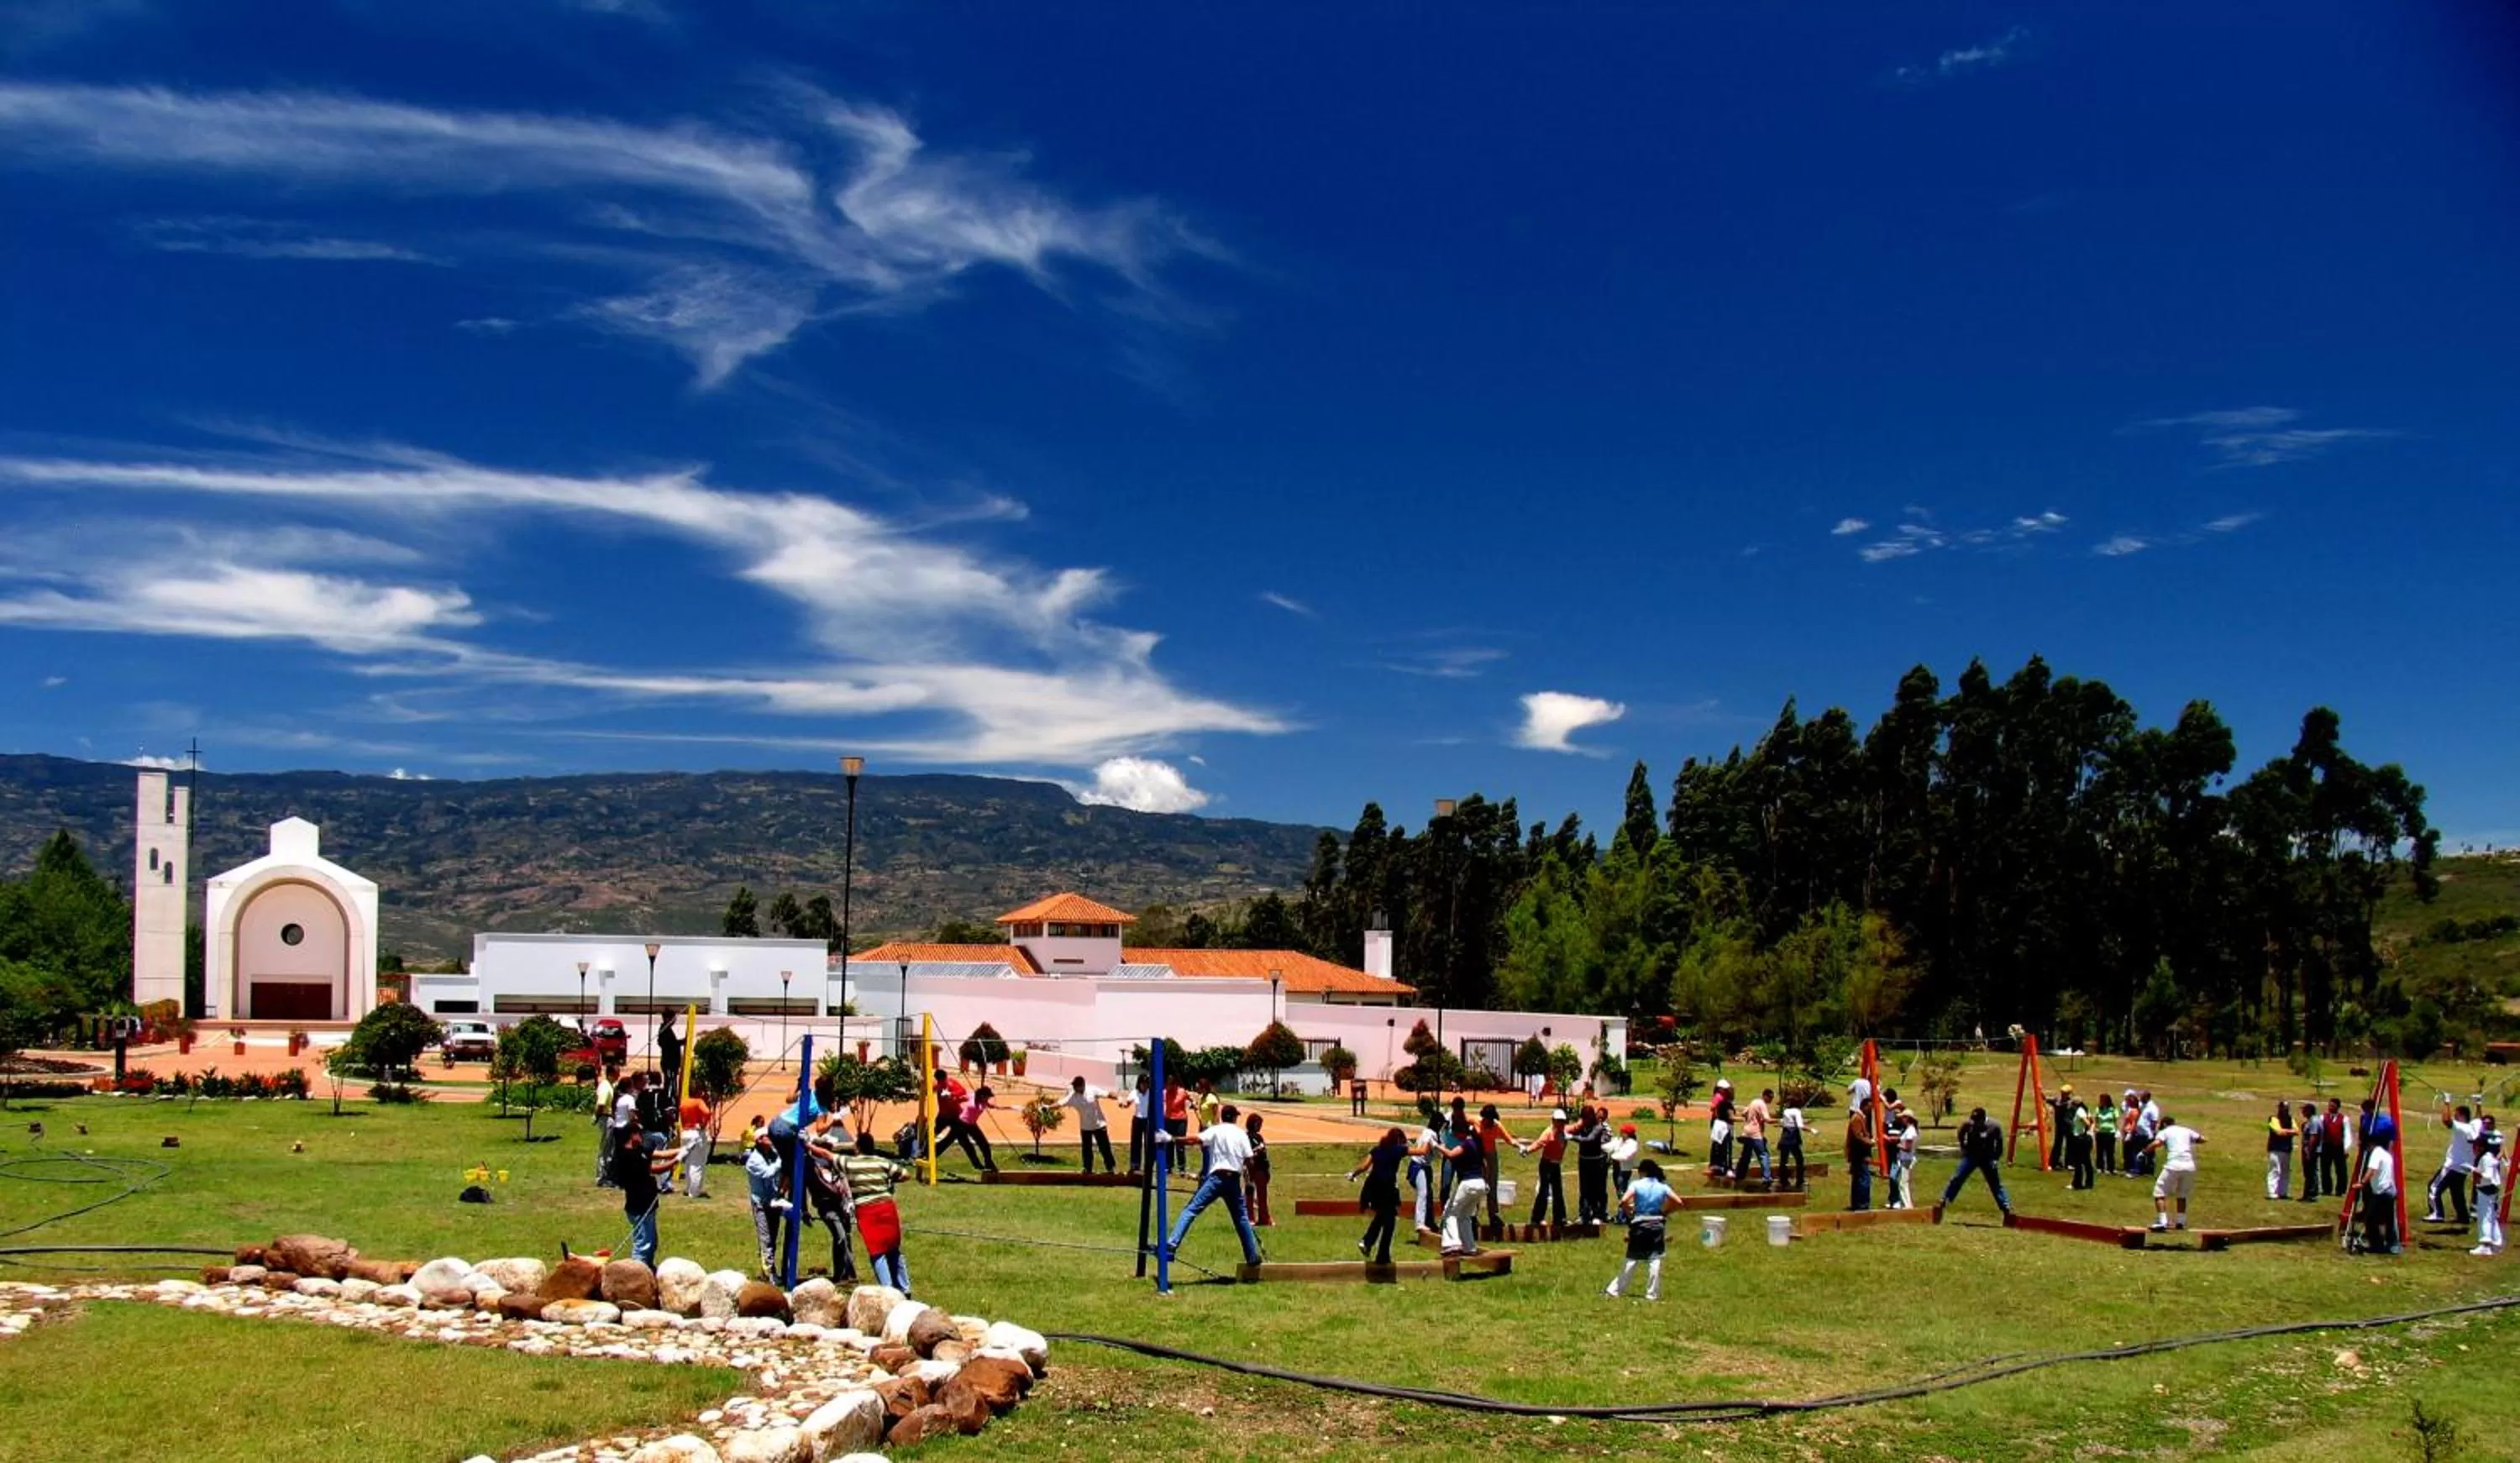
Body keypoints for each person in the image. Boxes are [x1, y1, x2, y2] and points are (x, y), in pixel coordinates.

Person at [1158, 1102, 1264, 1267]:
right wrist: (1250, 1182)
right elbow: (1250, 1161)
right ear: (1235, 1117)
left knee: (1191, 1210)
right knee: (1241, 1219)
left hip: (1216, 1178)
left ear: (1222, 1116)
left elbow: (1194, 1140)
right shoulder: (1241, 1134)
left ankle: (1171, 1246)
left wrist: (1171, 1139)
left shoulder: (1215, 1130)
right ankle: (1252, 1257)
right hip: (1234, 1180)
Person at [843, 1130, 913, 1296]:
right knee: (894, 1249)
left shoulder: (851, 1163)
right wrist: (888, 1180)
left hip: (867, 1211)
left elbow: (829, 1156)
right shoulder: (882, 1162)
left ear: (858, 1148)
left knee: (877, 1252)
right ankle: (905, 1288)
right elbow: (905, 1174)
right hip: (887, 1208)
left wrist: (809, 1145)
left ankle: (888, 1291)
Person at [1604, 1159, 1677, 1302]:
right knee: (1655, 1259)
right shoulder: (1663, 1186)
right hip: (1657, 1224)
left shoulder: (1636, 1185)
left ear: (1643, 1171)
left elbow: (1624, 1201)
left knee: (1632, 1258)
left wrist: (1630, 1213)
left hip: (1639, 1223)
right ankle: (1652, 1294)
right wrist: (1665, 1212)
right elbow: (1678, 1201)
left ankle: (1615, 1290)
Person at [612, 1109, 677, 1270]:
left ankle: (647, 1267)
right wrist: (675, 1162)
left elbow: (659, 1154)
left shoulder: (639, 1150)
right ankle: (637, 1271)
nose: (642, 1137)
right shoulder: (628, 1157)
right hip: (639, 1206)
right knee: (643, 1243)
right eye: (639, 1134)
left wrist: (683, 1150)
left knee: (652, 1241)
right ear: (632, 1135)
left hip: (648, 1204)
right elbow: (654, 1169)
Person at [1347, 1127, 1410, 1264]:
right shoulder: (1397, 1150)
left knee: (1388, 1220)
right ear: (1399, 1140)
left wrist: (1353, 1174)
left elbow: (1364, 1166)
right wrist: (1431, 1141)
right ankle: (1367, 1241)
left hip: (1373, 1189)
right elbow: (1421, 1151)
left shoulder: (1377, 1150)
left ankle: (1383, 1255)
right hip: (1387, 1189)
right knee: (1386, 1217)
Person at [1939, 1107, 2012, 1216]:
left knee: (1995, 1182)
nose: (1975, 1123)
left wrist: (1995, 1158)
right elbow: (1961, 1134)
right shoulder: (1968, 1124)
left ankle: (2005, 1206)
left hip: (1987, 1156)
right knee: (1958, 1177)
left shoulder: (1994, 1126)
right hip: (1971, 1155)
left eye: (1977, 1121)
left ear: (1983, 1119)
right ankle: (1945, 1199)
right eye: (1973, 1120)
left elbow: (1999, 1144)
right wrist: (1964, 1148)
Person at [1435, 1114, 1489, 1256]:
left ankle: (1452, 1244)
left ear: (1460, 1132)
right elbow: (1485, 1165)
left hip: (1468, 1183)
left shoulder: (1466, 1143)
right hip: (1480, 1184)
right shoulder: (1477, 1143)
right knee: (1465, 1216)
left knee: (1450, 1212)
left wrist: (1438, 1146)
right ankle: (1469, 1247)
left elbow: (1452, 1155)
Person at [2145, 1113, 2205, 1232]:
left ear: (2165, 1124)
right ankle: (2181, 1221)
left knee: (2159, 1192)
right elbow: (2202, 1139)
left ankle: (2162, 1221)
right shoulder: (2185, 1130)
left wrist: (2145, 1151)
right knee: (2182, 1194)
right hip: (2189, 1165)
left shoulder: (2165, 1131)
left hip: (2174, 1164)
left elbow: (2157, 1143)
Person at [2425, 1102, 2482, 1226]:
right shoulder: (2476, 1128)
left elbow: (2446, 1120)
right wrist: (2478, 1104)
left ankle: (2437, 1213)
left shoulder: (2462, 1128)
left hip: (2453, 1166)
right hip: (2465, 1167)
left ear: (2461, 1116)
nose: (2454, 1117)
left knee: (2433, 1187)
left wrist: (2447, 1102)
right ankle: (2463, 1217)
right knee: (2457, 1193)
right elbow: (2479, 1119)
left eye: (2456, 1115)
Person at [2356, 1114, 2401, 1256]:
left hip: (2382, 1192)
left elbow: (2372, 1170)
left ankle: (2377, 1245)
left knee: (2370, 1219)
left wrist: (2362, 1183)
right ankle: (2393, 1245)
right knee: (2389, 1220)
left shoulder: (2375, 1153)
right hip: (2390, 1190)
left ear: (2371, 1145)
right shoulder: (2386, 1154)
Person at [743, 1129, 786, 1277]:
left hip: (774, 1201)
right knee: (766, 1238)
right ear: (759, 1140)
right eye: (766, 1136)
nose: (770, 1138)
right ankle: (770, 1274)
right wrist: (782, 1160)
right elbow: (768, 1173)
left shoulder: (773, 1154)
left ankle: (767, 1269)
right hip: (761, 1203)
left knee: (773, 1238)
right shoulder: (754, 1160)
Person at [1521, 1109, 1571, 1227]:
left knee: (1558, 1191)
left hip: (1556, 1164)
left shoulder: (1563, 1132)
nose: (1561, 1124)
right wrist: (1527, 1150)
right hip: (1547, 1164)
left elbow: (1576, 1128)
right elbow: (1539, 1143)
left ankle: (1560, 1218)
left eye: (1563, 1121)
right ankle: (1537, 1218)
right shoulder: (1548, 1132)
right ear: (1553, 1121)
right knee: (1544, 1191)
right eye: (1559, 1121)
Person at [1063, 1076, 1118, 1175]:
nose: (1075, 1088)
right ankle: (1087, 1169)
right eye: (1074, 1086)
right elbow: (1060, 1103)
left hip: (1099, 1125)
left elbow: (1107, 1094)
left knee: (1105, 1148)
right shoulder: (1073, 1096)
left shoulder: (1093, 1090)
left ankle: (1111, 1168)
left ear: (1082, 1085)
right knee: (1086, 1150)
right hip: (1085, 1127)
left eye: (1076, 1086)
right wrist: (1048, 1107)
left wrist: (1119, 1097)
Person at [1477, 1105, 1518, 1226]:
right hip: (1479, 1154)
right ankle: (1473, 1215)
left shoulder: (1497, 1126)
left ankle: (1493, 1215)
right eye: (1486, 1118)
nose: (1487, 1121)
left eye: (1490, 1119)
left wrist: (1519, 1146)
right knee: (1477, 1185)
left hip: (1491, 1155)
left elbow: (1509, 1139)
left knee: (1492, 1185)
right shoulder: (1477, 1123)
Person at [1572, 1105, 1614, 1224]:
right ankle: (1584, 1214)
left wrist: (1572, 1137)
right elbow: (1570, 1129)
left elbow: (1589, 1139)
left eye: (1587, 1118)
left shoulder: (1598, 1127)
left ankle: (1598, 1214)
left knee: (1598, 1189)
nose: (1585, 1120)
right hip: (1584, 1160)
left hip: (1597, 1162)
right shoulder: (1582, 1126)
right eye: (1583, 1118)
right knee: (1584, 1189)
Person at [2469, 1120, 2502, 1258]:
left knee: (2484, 1218)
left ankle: (2485, 1245)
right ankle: (2496, 1239)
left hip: (2486, 1190)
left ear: (2481, 1147)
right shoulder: (2487, 1157)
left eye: (2475, 1146)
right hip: (2489, 1190)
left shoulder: (2485, 1158)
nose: (2473, 1149)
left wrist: (2475, 1171)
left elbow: (2487, 1176)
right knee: (2491, 1216)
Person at [1408, 1114, 1442, 1232]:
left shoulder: (1427, 1131)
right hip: (1418, 1166)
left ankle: (1429, 1222)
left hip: (1423, 1167)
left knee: (1429, 1195)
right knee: (1423, 1193)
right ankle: (1420, 1223)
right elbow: (1426, 1149)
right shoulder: (1430, 1134)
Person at [676, 1088, 712, 1199]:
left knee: (688, 1163)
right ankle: (695, 1192)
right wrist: (703, 1123)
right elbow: (707, 1112)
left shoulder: (684, 1102)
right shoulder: (698, 1101)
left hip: (685, 1133)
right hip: (696, 1133)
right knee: (697, 1164)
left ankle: (689, 1188)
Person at [1734, 1088, 1774, 1187]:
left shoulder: (1754, 1102)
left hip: (1747, 1132)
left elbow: (1744, 1113)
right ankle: (1767, 1178)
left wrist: (1751, 1118)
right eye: (1770, 1098)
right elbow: (1767, 1119)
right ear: (1765, 1096)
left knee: (1746, 1156)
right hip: (1756, 1134)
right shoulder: (1762, 1104)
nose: (1771, 1100)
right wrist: (1779, 1121)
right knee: (1763, 1155)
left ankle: (1739, 1175)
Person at [593, 1062, 623, 1188]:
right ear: (611, 1074)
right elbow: (601, 1104)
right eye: (617, 1073)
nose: (619, 1075)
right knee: (605, 1149)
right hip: (606, 1118)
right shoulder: (605, 1087)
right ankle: (601, 1177)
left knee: (609, 1148)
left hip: (608, 1117)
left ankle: (606, 1175)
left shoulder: (610, 1085)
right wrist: (597, 1116)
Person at [1243, 1112, 1275, 1227]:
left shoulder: (1259, 1136)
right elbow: (1247, 1153)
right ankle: (1250, 1218)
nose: (1260, 1126)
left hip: (1262, 1168)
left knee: (1262, 1195)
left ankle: (1264, 1218)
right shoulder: (1246, 1137)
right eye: (1258, 1124)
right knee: (1250, 1194)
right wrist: (1258, 1150)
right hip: (1252, 1167)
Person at [1889, 1102, 1921, 1208]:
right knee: (1903, 1183)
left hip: (1907, 1159)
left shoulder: (1910, 1131)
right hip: (1905, 1159)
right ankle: (1907, 1204)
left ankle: (1908, 1205)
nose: (1901, 1120)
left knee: (1903, 1183)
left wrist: (1897, 1145)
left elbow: (1907, 1148)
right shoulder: (1909, 1130)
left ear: (1907, 1118)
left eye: (1903, 1118)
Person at [2265, 1102, 2298, 1201]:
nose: (2285, 1110)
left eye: (2287, 1108)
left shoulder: (2291, 1119)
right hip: (2275, 1148)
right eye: (2284, 1108)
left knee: (2285, 1171)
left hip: (2287, 1149)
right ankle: (2272, 1192)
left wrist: (2285, 1132)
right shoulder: (2273, 1119)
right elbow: (2278, 1132)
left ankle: (2283, 1192)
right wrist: (2289, 1132)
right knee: (2275, 1170)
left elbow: (2296, 1131)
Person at [1845, 1104, 1874, 1212]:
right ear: (1864, 1106)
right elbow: (1858, 1136)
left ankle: (1856, 1203)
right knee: (1864, 1178)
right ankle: (1862, 1204)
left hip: (1857, 1153)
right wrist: (1869, 1142)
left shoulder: (1860, 1118)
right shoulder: (1857, 1118)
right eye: (1870, 1107)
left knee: (1857, 1178)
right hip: (1859, 1154)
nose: (1871, 1109)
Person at [1609, 1123, 1641, 1220]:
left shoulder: (1632, 1144)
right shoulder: (1620, 1141)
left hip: (1624, 1170)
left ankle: (1625, 1215)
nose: (1621, 1133)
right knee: (1620, 1192)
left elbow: (1625, 1156)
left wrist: (1613, 1156)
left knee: (1622, 1193)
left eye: (1623, 1132)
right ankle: (1623, 1214)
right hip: (1617, 1169)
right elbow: (1609, 1147)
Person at [2319, 1098, 2349, 1197]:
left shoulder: (2344, 1119)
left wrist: (2346, 1148)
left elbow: (2347, 1134)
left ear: (2338, 1107)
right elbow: (2320, 1132)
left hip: (2338, 1146)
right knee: (2325, 1168)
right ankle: (2326, 1189)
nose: (2330, 1107)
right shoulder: (2323, 1117)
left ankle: (2340, 1190)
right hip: (2326, 1146)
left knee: (2341, 1169)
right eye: (2329, 1105)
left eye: (2332, 1106)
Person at [1706, 1081, 1736, 1178]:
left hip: (1721, 1122)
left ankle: (1718, 1165)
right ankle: (1722, 1166)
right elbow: (1712, 1107)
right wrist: (1718, 1111)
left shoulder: (1725, 1099)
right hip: (1720, 1122)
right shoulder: (1719, 1097)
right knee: (1721, 1144)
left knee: (1719, 1144)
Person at [2297, 1094, 2323, 1201]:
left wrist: (2309, 1151)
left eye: (2304, 1110)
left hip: (2311, 1150)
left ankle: (2312, 1194)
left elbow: (2314, 1137)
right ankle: (2308, 1193)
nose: (2302, 1112)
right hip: (2308, 1149)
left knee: (2311, 1172)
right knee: (2309, 1172)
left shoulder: (2314, 1121)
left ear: (2309, 1111)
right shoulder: (2311, 1121)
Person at [1777, 1101, 1808, 1191]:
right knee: (1799, 1160)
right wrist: (1811, 1129)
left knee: (1783, 1160)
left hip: (1785, 1136)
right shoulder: (1797, 1111)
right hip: (1793, 1137)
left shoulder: (1786, 1111)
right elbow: (1800, 1125)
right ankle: (1800, 1180)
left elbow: (1787, 1122)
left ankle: (1783, 1180)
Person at [1126, 1073, 1153, 1175]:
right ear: (1139, 1083)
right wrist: (1124, 1104)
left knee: (1148, 1144)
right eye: (1143, 1083)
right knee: (1135, 1143)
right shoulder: (1135, 1093)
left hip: (1148, 1120)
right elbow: (1128, 1103)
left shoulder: (1151, 1093)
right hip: (1137, 1119)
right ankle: (1135, 1165)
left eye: (1146, 1083)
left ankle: (1148, 1166)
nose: (1145, 1086)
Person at [655, 1016, 684, 1108]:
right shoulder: (665, 1030)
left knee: (671, 1081)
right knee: (670, 1082)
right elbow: (670, 1044)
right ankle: (669, 1101)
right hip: (669, 1062)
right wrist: (681, 1042)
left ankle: (671, 1099)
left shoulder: (667, 1029)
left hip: (671, 1062)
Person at [2049, 1083, 2075, 1172]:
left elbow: (2061, 1106)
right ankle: (2054, 1162)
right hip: (2059, 1125)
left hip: (2069, 1125)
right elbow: (2046, 1099)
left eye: (2065, 1093)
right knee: (2057, 1144)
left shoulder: (2070, 1102)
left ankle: (2070, 1163)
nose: (2063, 1094)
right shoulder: (2057, 1100)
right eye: (2062, 1092)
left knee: (2070, 1145)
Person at [2094, 1090, 2120, 1176]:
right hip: (2100, 1133)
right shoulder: (2098, 1109)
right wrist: (2095, 1128)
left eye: (2103, 1100)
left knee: (2110, 1151)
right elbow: (2096, 1120)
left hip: (2110, 1133)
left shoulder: (2113, 1110)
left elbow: (2116, 1121)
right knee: (2100, 1151)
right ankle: (2100, 1167)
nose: (2101, 1101)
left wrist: (2118, 1131)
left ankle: (2110, 1168)